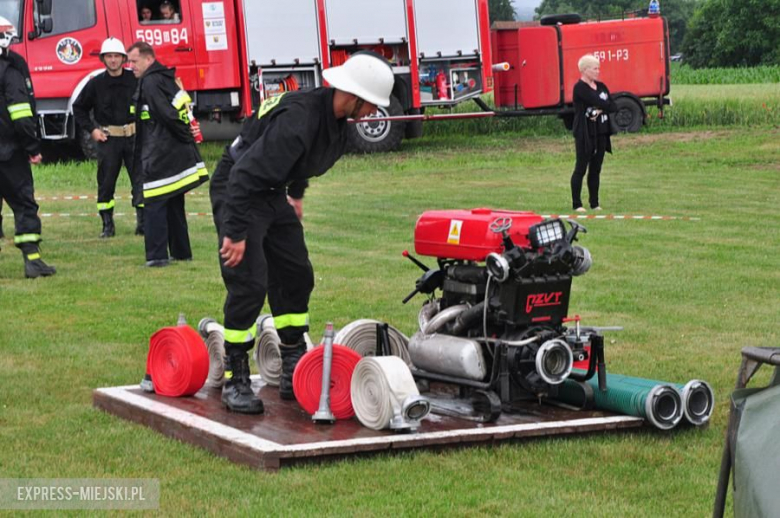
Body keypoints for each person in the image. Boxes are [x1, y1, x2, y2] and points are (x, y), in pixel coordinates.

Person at [209, 52, 394, 414]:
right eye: (372, 105)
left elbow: (301, 159)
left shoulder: (335, 124)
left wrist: (295, 195)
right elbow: (245, 174)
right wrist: (235, 232)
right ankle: (237, 377)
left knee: (295, 273)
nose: (374, 113)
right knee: (249, 281)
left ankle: (293, 359)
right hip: (241, 186)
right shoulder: (300, 119)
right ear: (353, 96)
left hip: (271, 190)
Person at [127, 41, 207, 267]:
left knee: (154, 202)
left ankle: (157, 256)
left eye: (134, 61)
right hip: (172, 150)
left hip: (160, 152)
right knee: (173, 203)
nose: (130, 66)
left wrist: (184, 136)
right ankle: (182, 252)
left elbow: (167, 115)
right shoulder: (164, 78)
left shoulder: (151, 82)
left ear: (148, 59)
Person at [0, 17, 55, 278]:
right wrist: (33, 147)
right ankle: (32, 260)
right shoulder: (10, 70)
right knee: (24, 205)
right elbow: (21, 115)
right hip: (8, 153)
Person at [73, 37, 142, 238]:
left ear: (123, 58)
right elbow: (79, 109)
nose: (113, 60)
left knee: (140, 180)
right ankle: (107, 225)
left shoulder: (134, 80)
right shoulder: (95, 84)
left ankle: (143, 223)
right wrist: (92, 130)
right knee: (106, 183)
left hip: (134, 138)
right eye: (109, 56)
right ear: (103, 59)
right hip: (108, 140)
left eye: (117, 56)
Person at [570, 54, 617, 212]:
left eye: (598, 68)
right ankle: (577, 204)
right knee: (581, 168)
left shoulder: (602, 86)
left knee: (596, 168)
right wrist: (602, 105)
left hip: (601, 131)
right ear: (585, 70)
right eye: (594, 68)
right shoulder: (579, 88)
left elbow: (613, 105)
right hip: (585, 133)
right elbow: (597, 101)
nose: (598, 71)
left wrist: (601, 108)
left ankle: (594, 203)